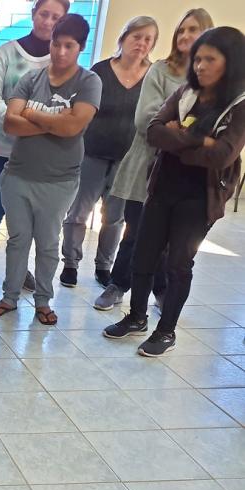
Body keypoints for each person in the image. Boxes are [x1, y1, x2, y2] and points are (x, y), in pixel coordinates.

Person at [104, 26, 245, 357]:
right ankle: (136, 317)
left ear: (232, 62)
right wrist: (200, 140)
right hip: (163, 187)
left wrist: (180, 138)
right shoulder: (185, 93)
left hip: (200, 197)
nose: (200, 66)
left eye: (210, 59)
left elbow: (223, 155)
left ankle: (166, 331)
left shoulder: (239, 104)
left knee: (179, 263)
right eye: (198, 59)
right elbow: (154, 131)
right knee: (144, 254)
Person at [0, 14, 102, 325]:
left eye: (69, 46)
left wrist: (33, 114)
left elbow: (74, 127)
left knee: (48, 243)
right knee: (17, 240)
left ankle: (43, 301)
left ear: (80, 47)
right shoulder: (31, 79)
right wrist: (57, 121)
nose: (60, 52)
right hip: (18, 175)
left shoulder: (89, 82)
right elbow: (10, 123)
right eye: (56, 44)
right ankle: (9, 297)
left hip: (58, 180)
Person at [95, 9, 214, 311]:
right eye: (182, 30)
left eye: (193, 30)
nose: (185, 35)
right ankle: (117, 284)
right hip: (145, 166)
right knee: (136, 232)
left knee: (170, 240)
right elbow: (146, 121)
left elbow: (212, 125)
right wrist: (189, 130)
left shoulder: (212, 78)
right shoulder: (160, 70)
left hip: (185, 171)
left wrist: (174, 125)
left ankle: (160, 289)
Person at [0, 0, 69, 296]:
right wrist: (17, 124)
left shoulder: (61, 62)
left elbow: (65, 108)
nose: (48, 21)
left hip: (38, 155)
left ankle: (18, 270)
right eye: (44, 14)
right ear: (33, 14)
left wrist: (32, 128)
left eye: (56, 17)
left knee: (26, 219)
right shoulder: (7, 52)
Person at [59, 16, 159, 288]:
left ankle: (104, 266)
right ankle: (70, 263)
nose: (141, 43)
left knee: (114, 218)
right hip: (92, 153)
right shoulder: (100, 71)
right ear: (123, 38)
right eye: (136, 36)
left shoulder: (153, 76)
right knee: (78, 213)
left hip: (129, 160)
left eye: (148, 39)